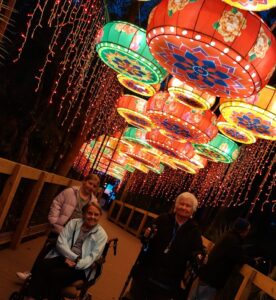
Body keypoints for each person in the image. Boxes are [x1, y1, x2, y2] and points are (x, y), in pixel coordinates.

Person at [16, 174, 100, 280]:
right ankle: (32, 274)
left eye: (94, 186)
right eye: (90, 183)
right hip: (60, 228)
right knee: (47, 250)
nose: (91, 187)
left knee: (60, 256)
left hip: (75, 234)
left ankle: (45, 279)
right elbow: (57, 203)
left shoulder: (93, 202)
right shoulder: (71, 192)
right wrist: (54, 220)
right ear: (84, 181)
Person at [124, 192, 203, 300]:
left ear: (193, 210)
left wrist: (198, 256)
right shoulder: (163, 219)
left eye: (188, 206)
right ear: (176, 205)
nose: (184, 207)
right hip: (147, 271)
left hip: (169, 280)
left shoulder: (194, 230)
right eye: (181, 204)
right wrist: (146, 235)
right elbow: (146, 238)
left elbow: (196, 252)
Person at [24, 202, 108, 300]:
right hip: (65, 257)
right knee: (43, 265)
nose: (92, 217)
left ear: (100, 216)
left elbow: (92, 257)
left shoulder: (102, 235)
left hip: (82, 267)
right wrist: (70, 257)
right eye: (89, 213)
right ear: (84, 213)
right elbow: (61, 242)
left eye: (96, 214)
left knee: (56, 275)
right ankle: (32, 297)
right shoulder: (74, 223)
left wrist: (77, 262)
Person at [188, 217, 251, 300]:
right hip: (211, 280)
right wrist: (253, 262)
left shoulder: (228, 236)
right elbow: (239, 257)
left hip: (206, 276)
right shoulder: (233, 240)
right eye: (247, 230)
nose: (248, 232)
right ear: (243, 230)